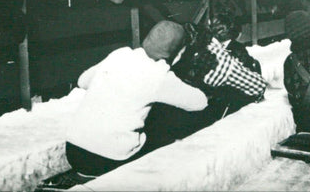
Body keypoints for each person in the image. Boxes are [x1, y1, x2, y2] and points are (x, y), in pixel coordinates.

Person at [65, 21, 208, 178]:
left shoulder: (120, 54)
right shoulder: (160, 75)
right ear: (178, 53)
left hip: (73, 151)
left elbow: (82, 81)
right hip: (107, 159)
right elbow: (200, 103)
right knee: (163, 127)